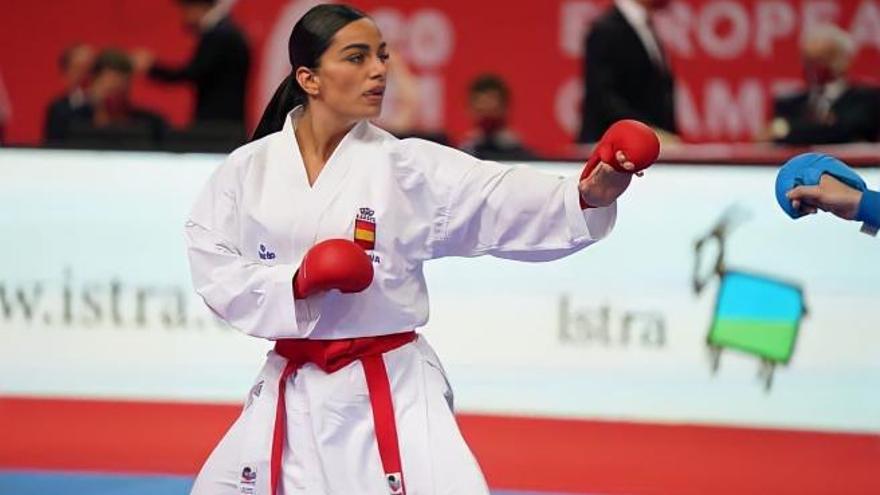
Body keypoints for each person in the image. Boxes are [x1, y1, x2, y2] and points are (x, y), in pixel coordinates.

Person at [184, 5, 655, 495]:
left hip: (391, 384)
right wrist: (294, 283)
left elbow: (493, 196)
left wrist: (587, 194)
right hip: (292, 384)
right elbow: (212, 261)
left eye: (382, 56)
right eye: (357, 57)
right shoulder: (248, 169)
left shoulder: (405, 167)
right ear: (310, 78)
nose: (379, 69)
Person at [133, 0, 250, 128]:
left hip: (218, 124)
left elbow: (194, 72)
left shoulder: (220, 35)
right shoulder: (226, 32)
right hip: (226, 121)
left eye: (184, 10)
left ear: (196, 7)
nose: (184, 17)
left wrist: (153, 68)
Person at [578, 0, 677, 144]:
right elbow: (602, 96)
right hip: (612, 149)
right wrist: (647, 131)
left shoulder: (646, 26)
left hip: (650, 147)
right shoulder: (606, 29)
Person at [768, 24, 880, 145]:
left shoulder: (867, 99)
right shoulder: (787, 103)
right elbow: (774, 136)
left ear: (844, 60)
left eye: (822, 59)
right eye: (809, 60)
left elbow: (847, 131)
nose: (814, 67)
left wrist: (788, 129)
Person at [67, 49, 167, 147]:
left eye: (120, 84)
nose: (114, 92)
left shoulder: (150, 124)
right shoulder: (70, 119)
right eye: (108, 84)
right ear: (94, 83)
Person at [459, 74, 537, 160]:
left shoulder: (523, 155)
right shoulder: (462, 152)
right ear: (470, 110)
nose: (486, 119)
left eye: (492, 111)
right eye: (481, 111)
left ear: (505, 109)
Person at [44, 43, 95, 143]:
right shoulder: (58, 108)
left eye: (91, 69)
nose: (86, 75)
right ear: (65, 73)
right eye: (79, 68)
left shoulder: (112, 106)